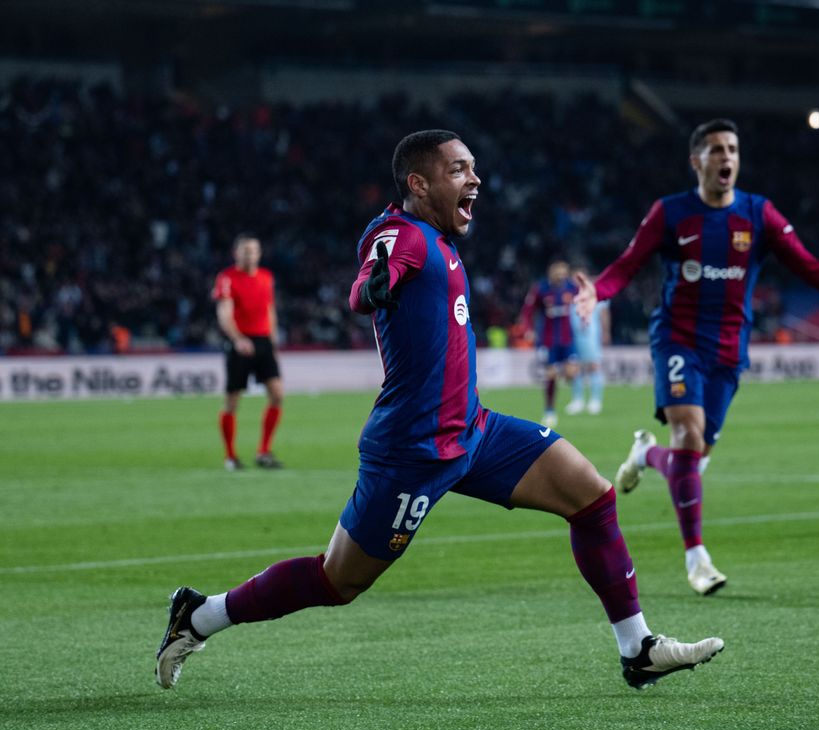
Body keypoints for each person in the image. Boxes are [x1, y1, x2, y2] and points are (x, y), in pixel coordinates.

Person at [157, 130, 723, 692]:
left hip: (474, 431)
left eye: (474, 167)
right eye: (459, 170)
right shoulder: (400, 234)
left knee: (592, 496)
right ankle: (200, 614)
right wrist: (370, 288)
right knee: (339, 580)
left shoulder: (438, 237)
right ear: (419, 183)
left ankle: (637, 648)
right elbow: (368, 281)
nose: (475, 179)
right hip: (414, 451)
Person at [573, 119, 819, 595]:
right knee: (688, 434)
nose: (727, 158)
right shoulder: (671, 213)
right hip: (677, 338)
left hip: (728, 349)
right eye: (716, 150)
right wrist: (599, 291)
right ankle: (697, 559)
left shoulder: (760, 215)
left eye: (733, 149)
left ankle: (644, 454)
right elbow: (627, 264)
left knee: (691, 456)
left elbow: (811, 267)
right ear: (697, 161)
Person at [212, 234, 285, 471]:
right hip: (240, 343)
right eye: (245, 250)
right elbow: (224, 312)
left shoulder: (266, 277)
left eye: (253, 250)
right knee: (232, 401)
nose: (249, 254)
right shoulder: (227, 278)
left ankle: (263, 451)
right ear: (236, 253)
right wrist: (238, 339)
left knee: (277, 394)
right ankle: (230, 456)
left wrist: (273, 341)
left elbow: (269, 309)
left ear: (259, 253)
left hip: (263, 341)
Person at [519, 260, 579, 427]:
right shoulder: (541, 289)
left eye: (563, 272)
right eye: (558, 272)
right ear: (551, 273)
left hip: (568, 339)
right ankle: (550, 410)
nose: (561, 276)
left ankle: (573, 395)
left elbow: (586, 296)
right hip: (548, 340)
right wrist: (528, 328)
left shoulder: (571, 288)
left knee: (571, 373)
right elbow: (527, 310)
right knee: (551, 375)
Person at [568, 269, 610, 415]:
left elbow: (604, 313)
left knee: (593, 366)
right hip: (573, 337)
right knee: (575, 368)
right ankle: (578, 400)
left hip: (591, 336)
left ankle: (595, 400)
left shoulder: (594, 293)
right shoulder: (570, 295)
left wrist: (606, 332)